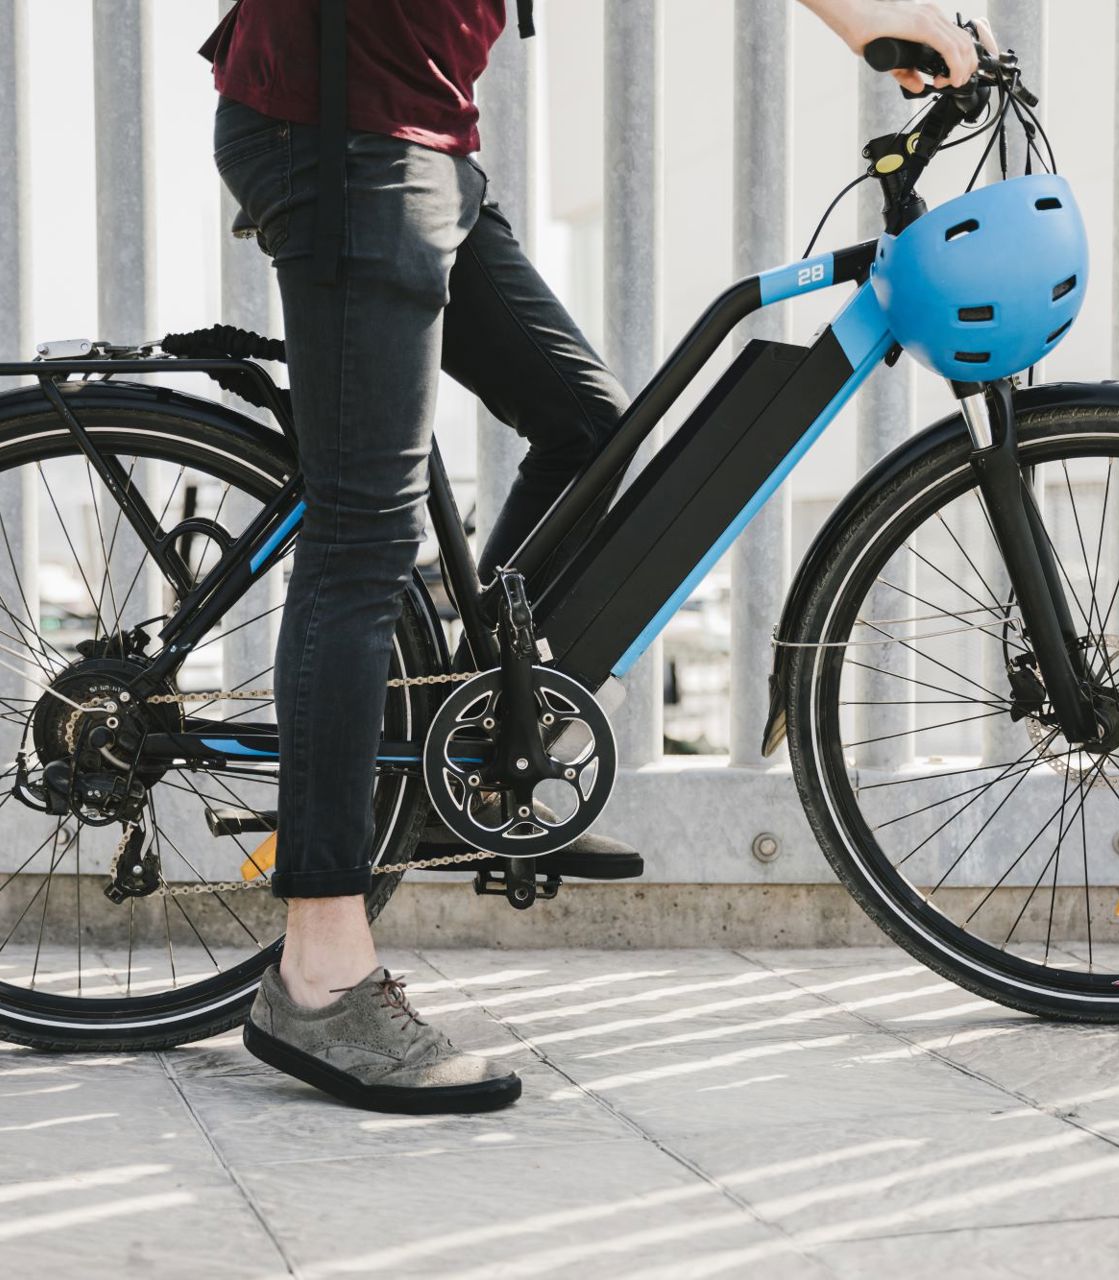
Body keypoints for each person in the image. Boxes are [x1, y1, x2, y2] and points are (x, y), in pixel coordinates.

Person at [202, 0, 990, 1114]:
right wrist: (874, 20)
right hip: (346, 133)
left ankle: (482, 741)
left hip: (415, 130)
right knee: (364, 532)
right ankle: (318, 974)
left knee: (587, 430)